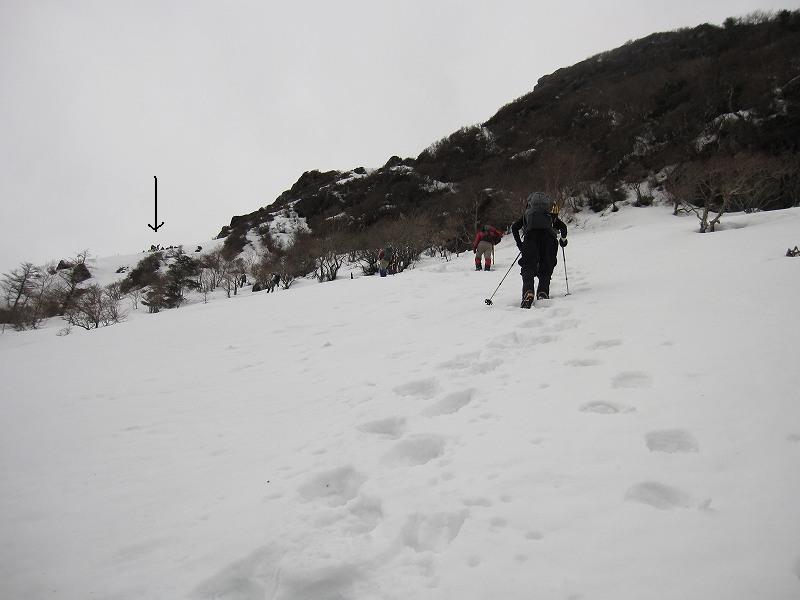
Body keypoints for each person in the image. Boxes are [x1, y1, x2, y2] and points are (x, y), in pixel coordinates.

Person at [511, 192, 568, 308]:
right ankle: (543, 292)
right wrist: (563, 240)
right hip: (549, 241)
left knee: (528, 267)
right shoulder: (550, 213)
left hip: (530, 240)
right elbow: (563, 227)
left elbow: (514, 227)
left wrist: (520, 244)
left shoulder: (528, 214)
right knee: (546, 267)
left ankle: (528, 291)